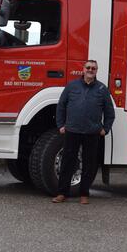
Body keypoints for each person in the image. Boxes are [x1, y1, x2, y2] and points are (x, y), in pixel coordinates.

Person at [52, 60, 115, 204]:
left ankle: (84, 194)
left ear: (96, 71)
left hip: (92, 133)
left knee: (89, 164)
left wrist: (105, 129)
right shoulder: (72, 86)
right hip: (72, 130)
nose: (90, 70)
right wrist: (61, 125)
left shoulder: (102, 89)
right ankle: (62, 193)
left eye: (93, 68)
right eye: (88, 67)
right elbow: (61, 106)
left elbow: (110, 112)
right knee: (67, 162)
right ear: (83, 69)